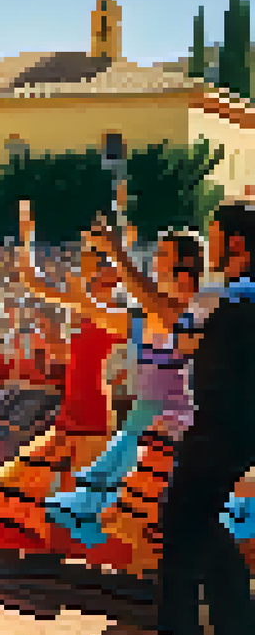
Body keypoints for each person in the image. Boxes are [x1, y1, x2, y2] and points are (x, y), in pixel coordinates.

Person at [0, 200, 130, 558]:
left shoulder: (119, 313)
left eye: (97, 264)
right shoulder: (83, 305)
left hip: (95, 406)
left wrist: (117, 241)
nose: (90, 268)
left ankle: (81, 543)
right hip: (73, 402)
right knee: (49, 470)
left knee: (83, 477)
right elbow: (32, 281)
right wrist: (26, 234)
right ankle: (49, 539)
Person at [130, 201, 255, 635]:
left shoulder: (219, 295)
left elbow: (182, 345)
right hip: (235, 423)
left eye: (216, 235)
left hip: (221, 424)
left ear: (236, 243)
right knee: (182, 516)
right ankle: (184, 632)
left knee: (192, 518)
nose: (211, 244)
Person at [45, 229, 210, 573]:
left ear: (185, 266)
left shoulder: (195, 308)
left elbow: (155, 307)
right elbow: (105, 314)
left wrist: (117, 253)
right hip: (142, 420)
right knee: (133, 505)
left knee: (158, 502)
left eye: (163, 253)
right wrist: (77, 298)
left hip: (176, 420)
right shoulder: (146, 317)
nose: (155, 259)